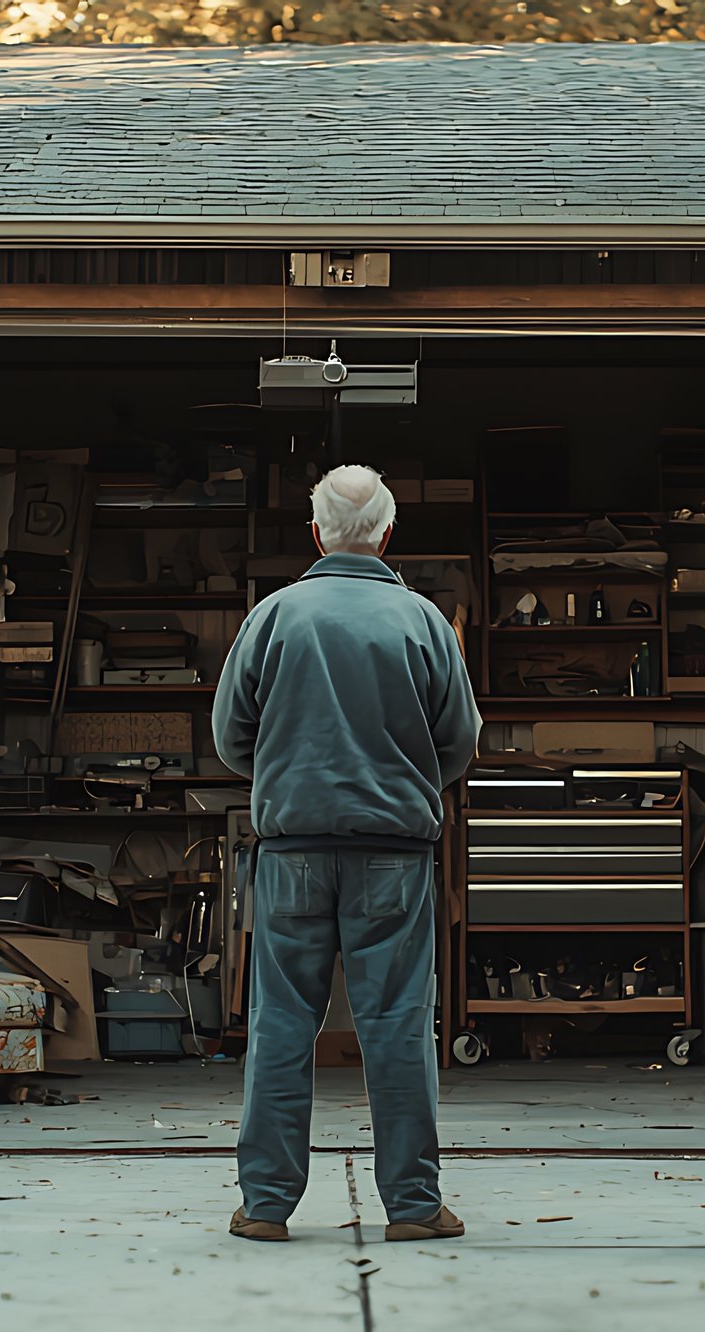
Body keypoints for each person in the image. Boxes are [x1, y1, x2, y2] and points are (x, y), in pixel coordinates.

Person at [210, 464, 481, 1243]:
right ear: (388, 533)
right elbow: (459, 744)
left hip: (292, 849)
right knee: (397, 1024)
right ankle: (414, 1205)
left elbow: (232, 738)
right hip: (394, 853)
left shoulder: (273, 616)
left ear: (316, 531)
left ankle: (265, 1206)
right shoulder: (423, 621)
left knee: (281, 1024)